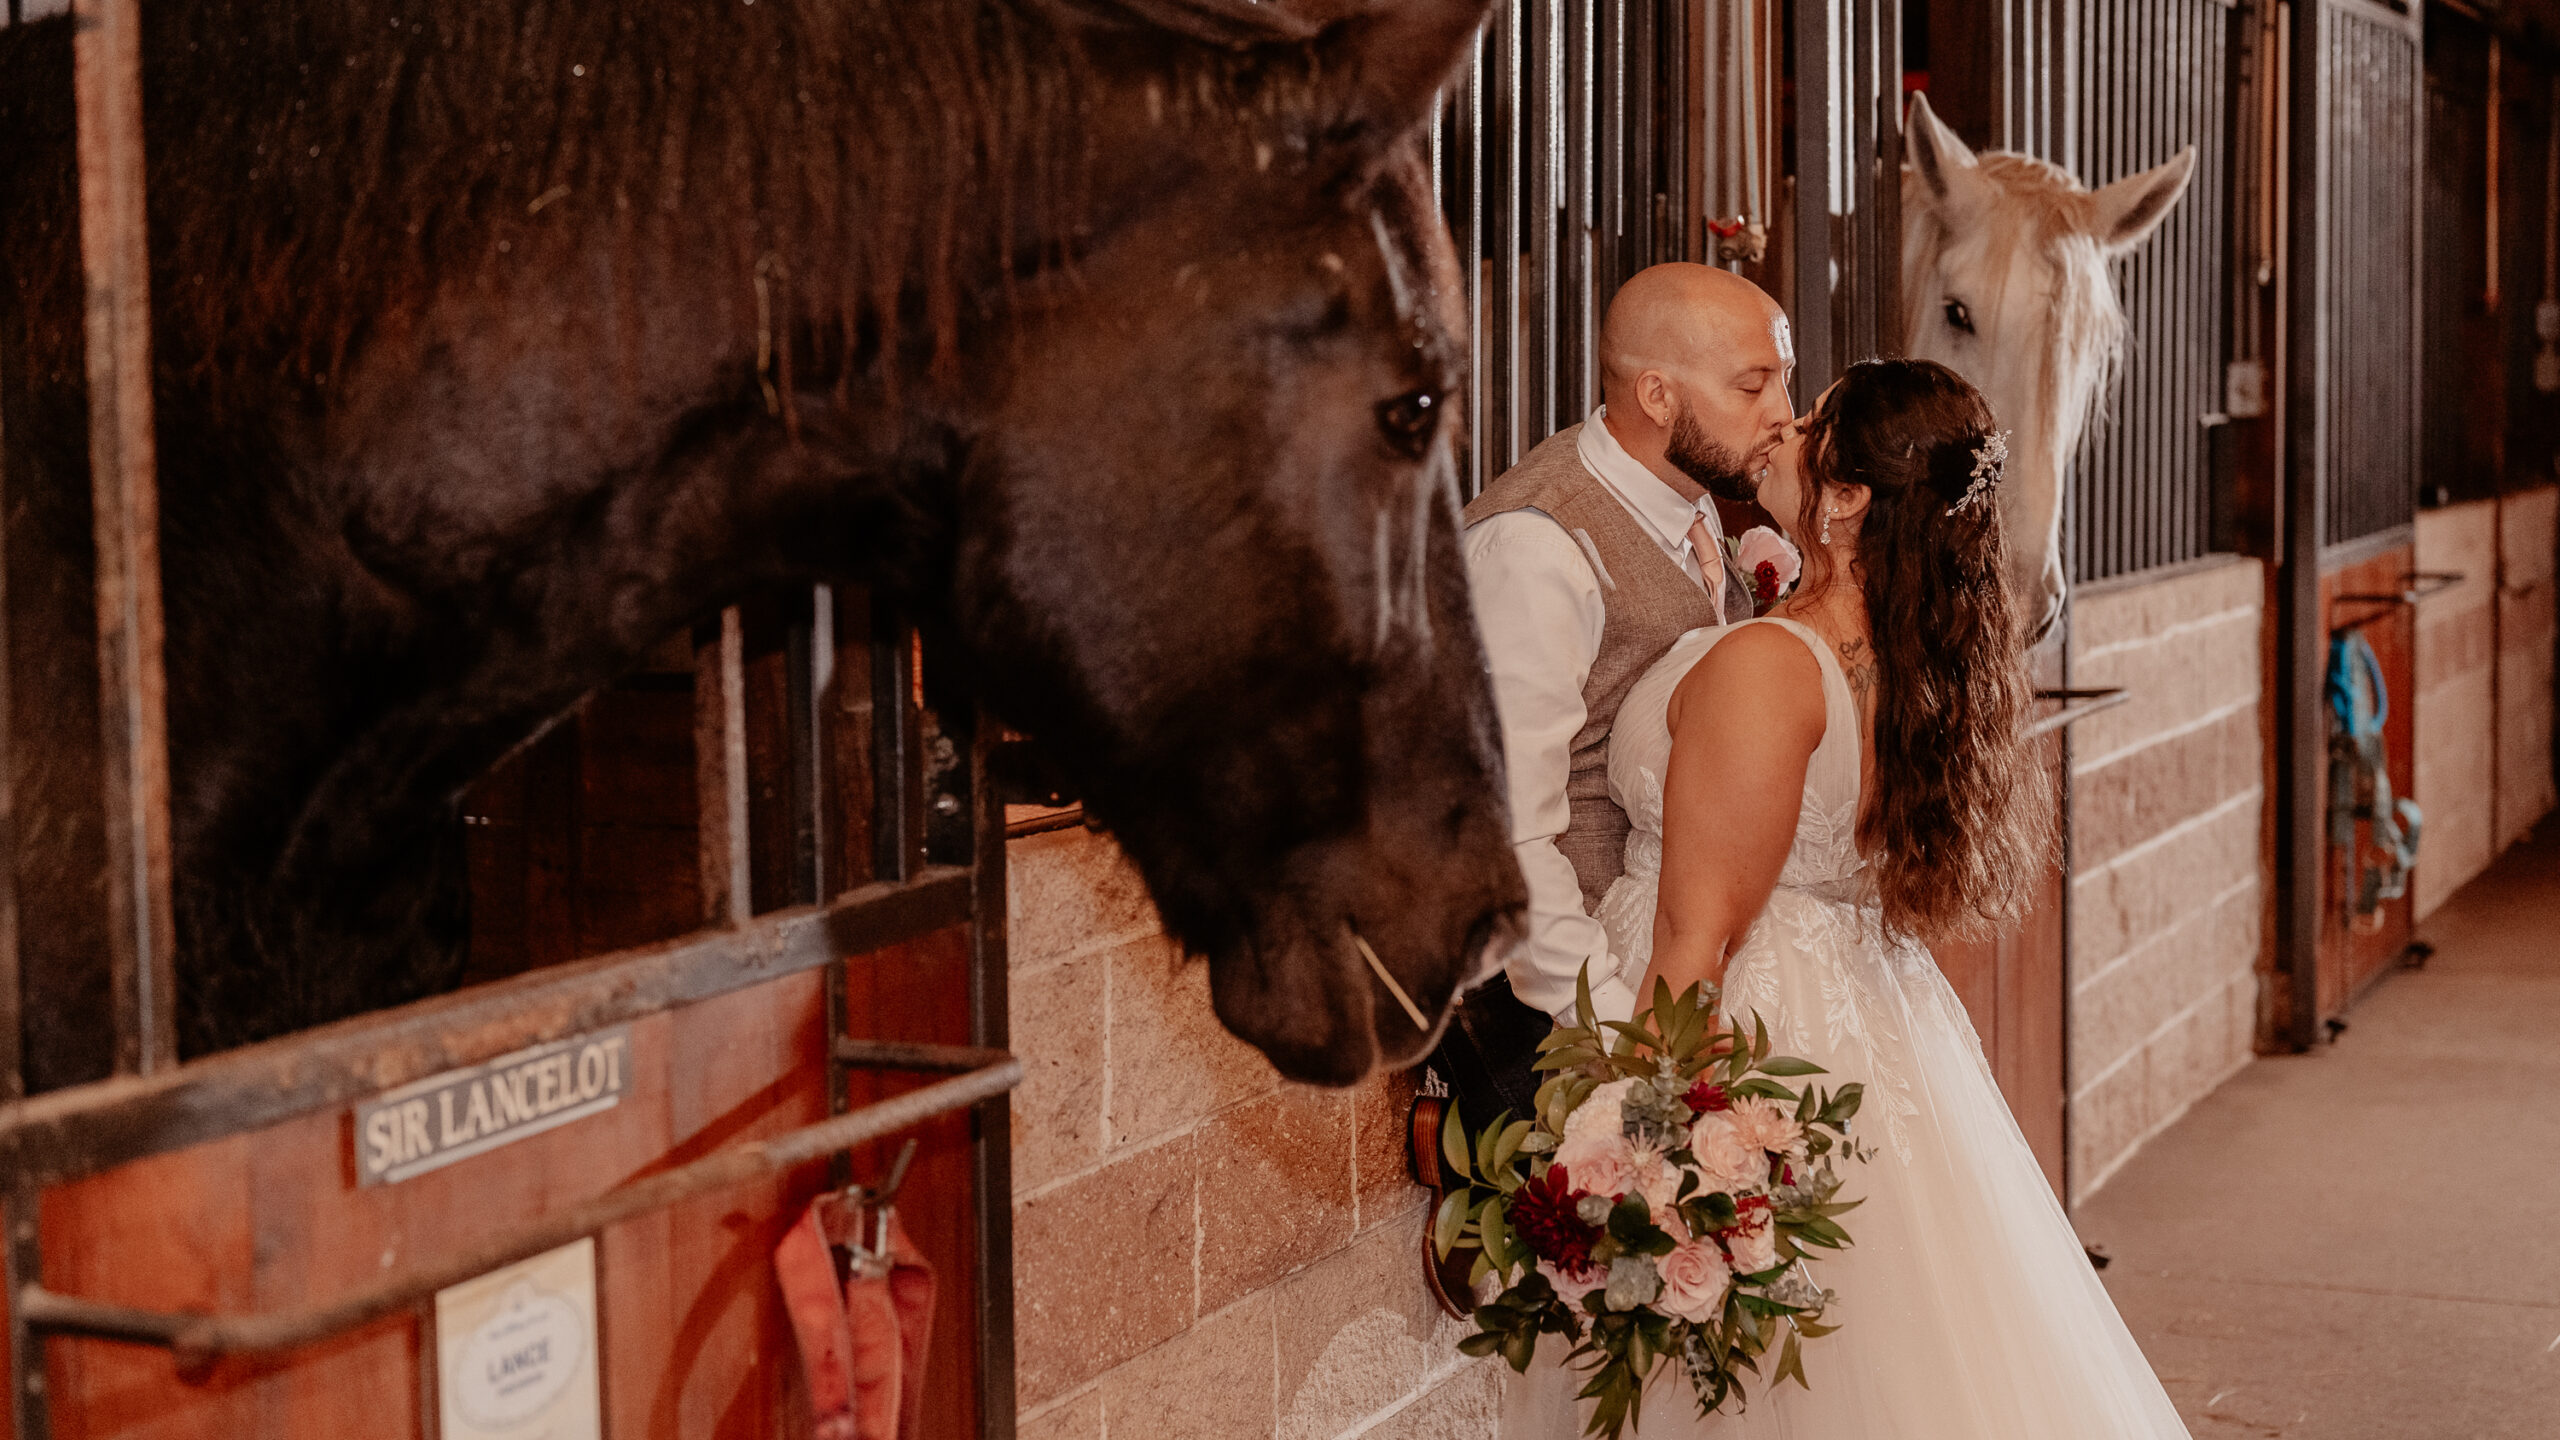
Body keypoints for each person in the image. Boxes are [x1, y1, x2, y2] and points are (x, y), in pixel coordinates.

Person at [1501, 358, 2189, 1437]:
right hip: (1863, 1018)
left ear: (1848, 496)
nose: (1785, 422)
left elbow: (1698, 936)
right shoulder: (1912, 655)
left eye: (1814, 418)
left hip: (1742, 1030)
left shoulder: (1770, 667)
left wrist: (1642, 1155)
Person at [1414, 266, 1793, 1316]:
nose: (1781, 416)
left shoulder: (1693, 506)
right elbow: (1503, 834)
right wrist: (1616, 1032)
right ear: (1657, 396)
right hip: (1571, 1000)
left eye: (1783, 382)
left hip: (1667, 956)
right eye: (1753, 385)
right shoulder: (1538, 549)